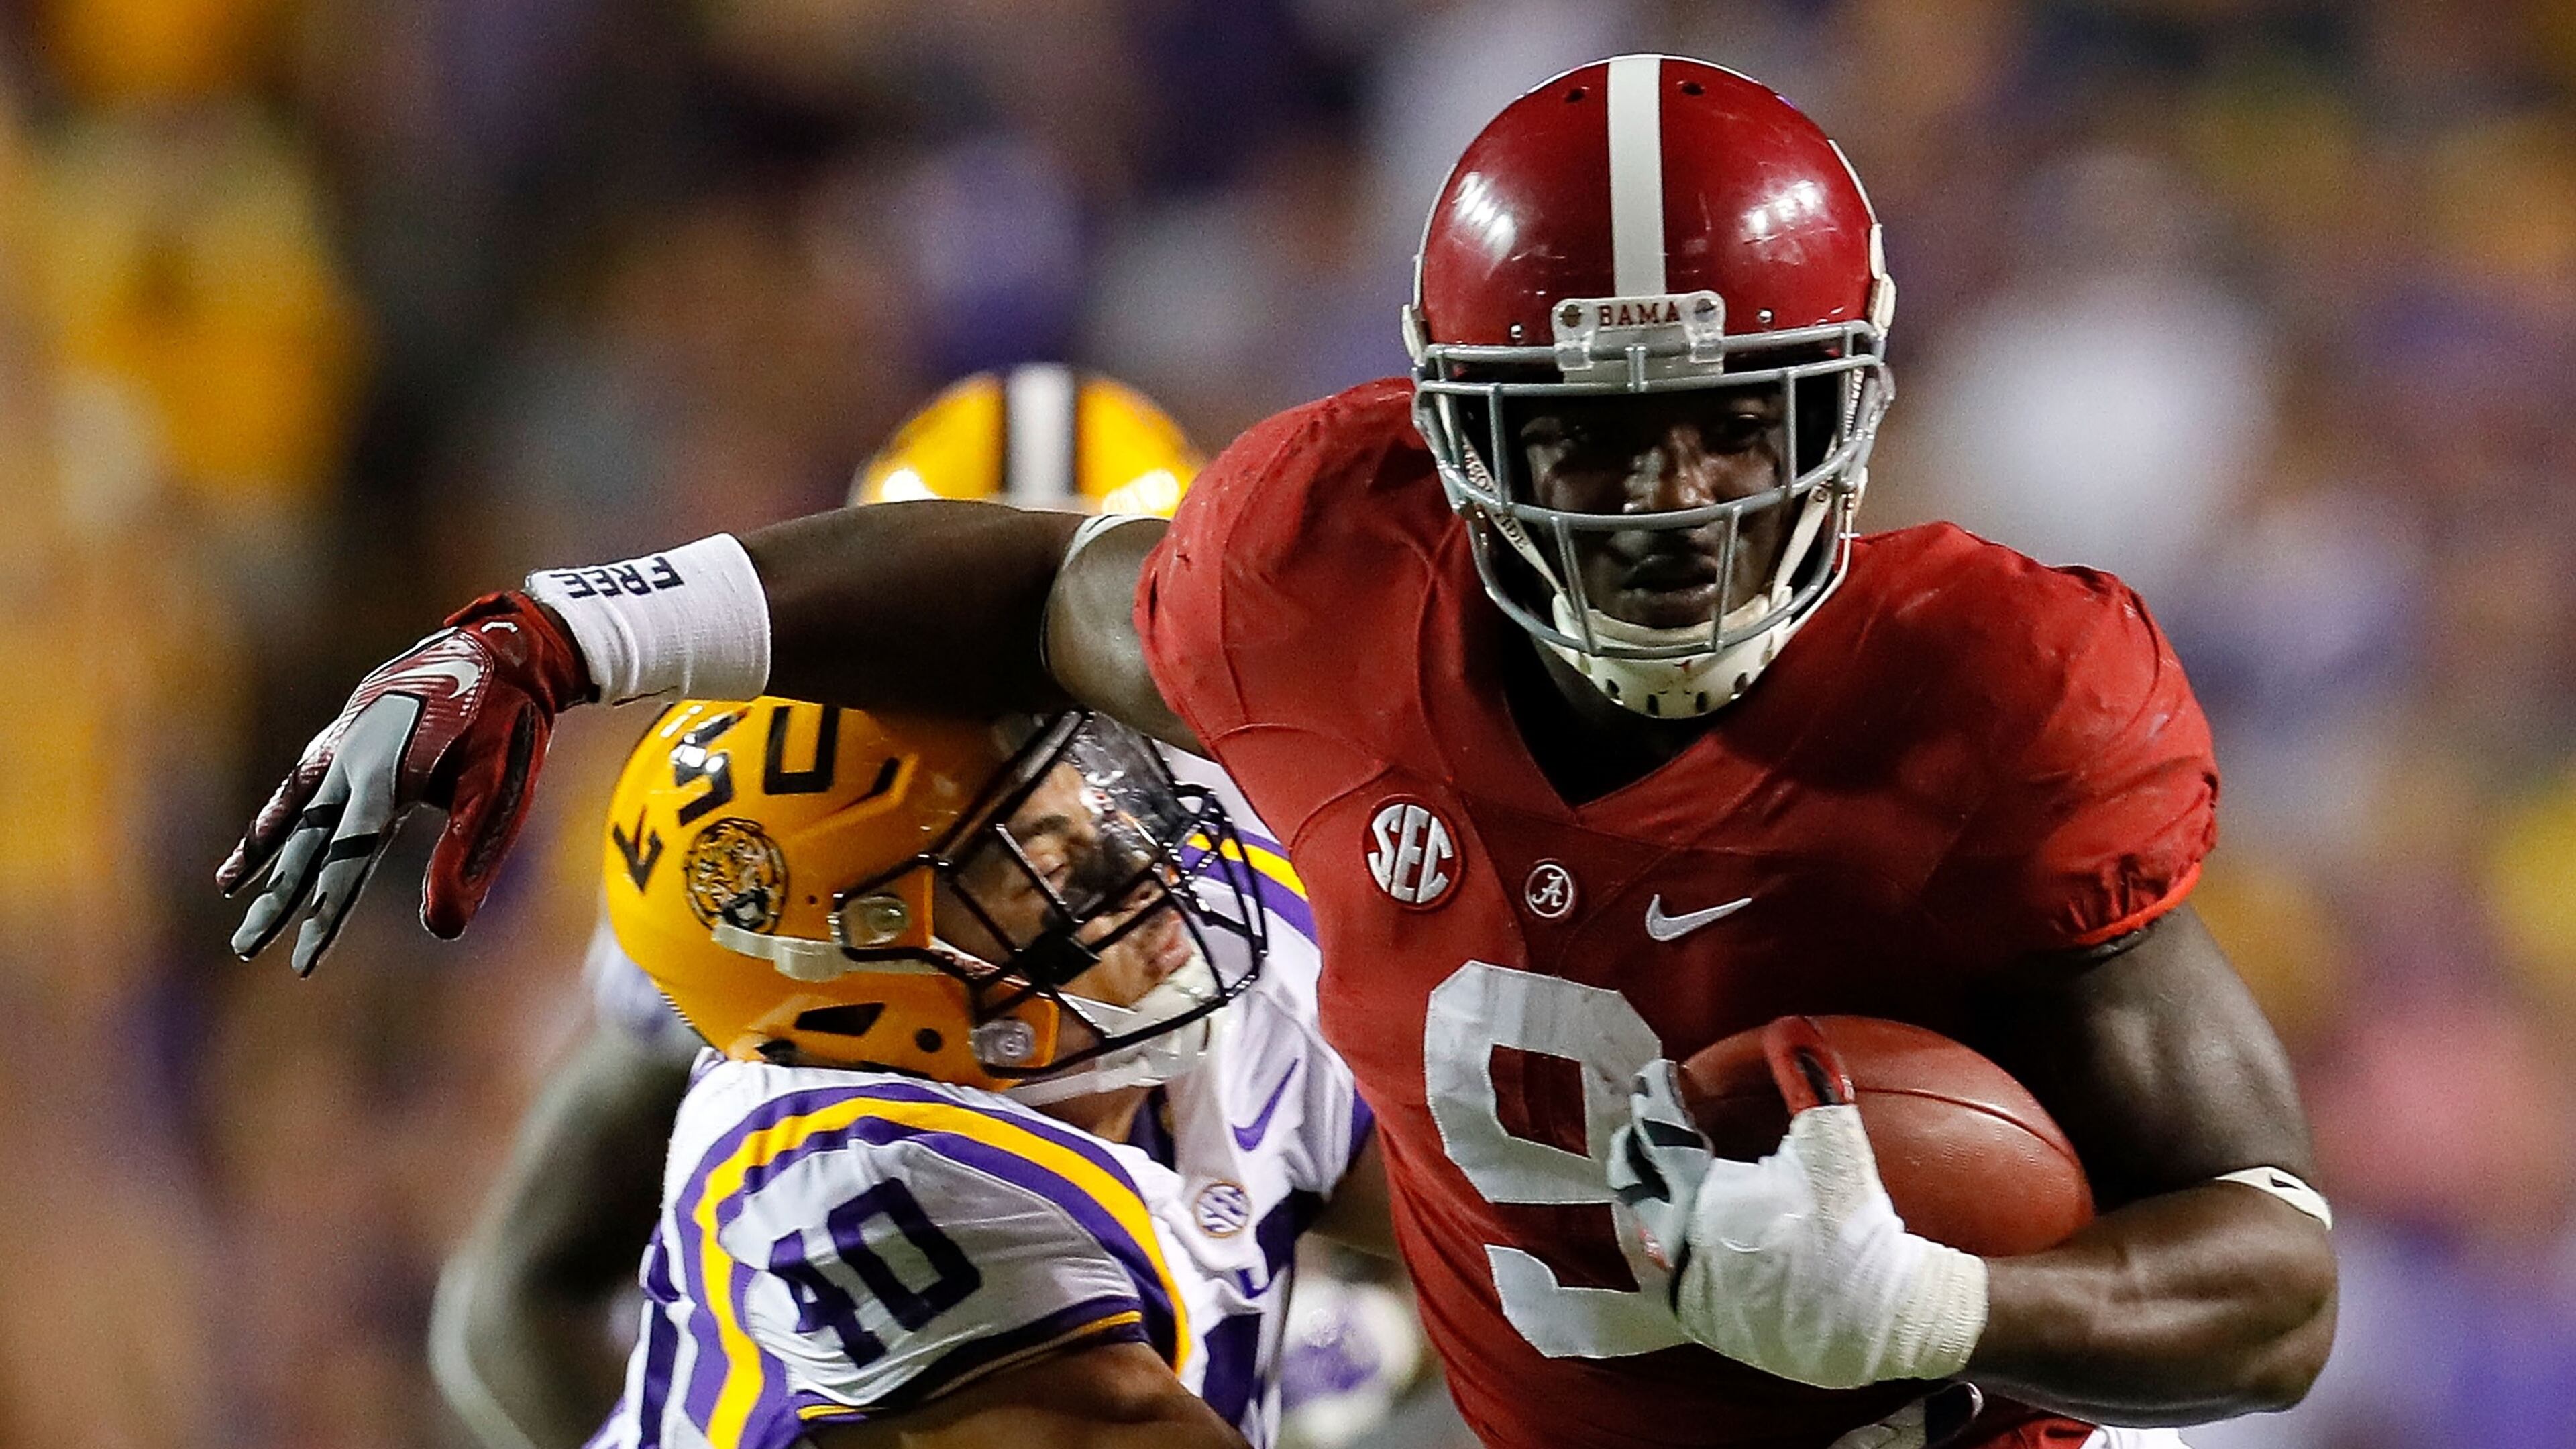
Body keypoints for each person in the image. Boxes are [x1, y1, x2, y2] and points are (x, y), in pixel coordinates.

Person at [225, 57, 2337, 1449]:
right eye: (1597, 441)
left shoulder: (1990, 694)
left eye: (1733, 419)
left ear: (1848, 407)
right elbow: (522, 1296)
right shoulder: (880, 1157)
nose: (1675, 507)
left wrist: (1934, 1298)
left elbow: (2267, 1276)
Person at [585, 698, 1381, 1449]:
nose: (1145, 867)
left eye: (1105, 801)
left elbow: (1495, 1238)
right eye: (1047, 868)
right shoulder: (854, 1175)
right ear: (871, 979)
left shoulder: (1224, 959)